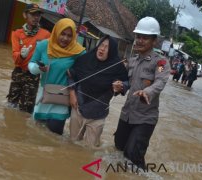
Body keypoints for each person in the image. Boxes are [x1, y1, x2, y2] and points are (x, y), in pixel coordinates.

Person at [112, 17, 170, 170]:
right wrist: (120, 87)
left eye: (145, 38)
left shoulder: (160, 62)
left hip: (145, 118)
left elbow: (160, 82)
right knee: (119, 148)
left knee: (133, 156)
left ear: (154, 41)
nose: (139, 40)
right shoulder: (132, 61)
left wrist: (147, 91)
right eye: (138, 36)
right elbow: (128, 84)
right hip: (127, 114)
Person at [68, 35, 128, 147]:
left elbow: (125, 83)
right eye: (101, 45)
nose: (102, 49)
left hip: (98, 116)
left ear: (112, 51)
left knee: (90, 151)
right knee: (72, 145)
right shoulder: (85, 59)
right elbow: (71, 75)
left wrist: (120, 86)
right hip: (78, 109)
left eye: (107, 47)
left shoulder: (117, 67)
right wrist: (72, 92)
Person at [28, 18, 85, 135]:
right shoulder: (43, 46)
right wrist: (39, 68)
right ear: (56, 31)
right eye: (62, 34)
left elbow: (86, 71)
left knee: (54, 136)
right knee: (35, 135)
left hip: (62, 100)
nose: (65, 38)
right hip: (43, 97)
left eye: (69, 35)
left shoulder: (78, 52)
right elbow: (31, 64)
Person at [6, 4, 50, 113]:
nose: (36, 17)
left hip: (34, 74)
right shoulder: (17, 33)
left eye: (38, 14)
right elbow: (15, 56)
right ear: (25, 15)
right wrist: (21, 55)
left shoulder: (46, 35)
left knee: (27, 108)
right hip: (18, 72)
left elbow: (49, 54)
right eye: (33, 14)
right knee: (11, 104)